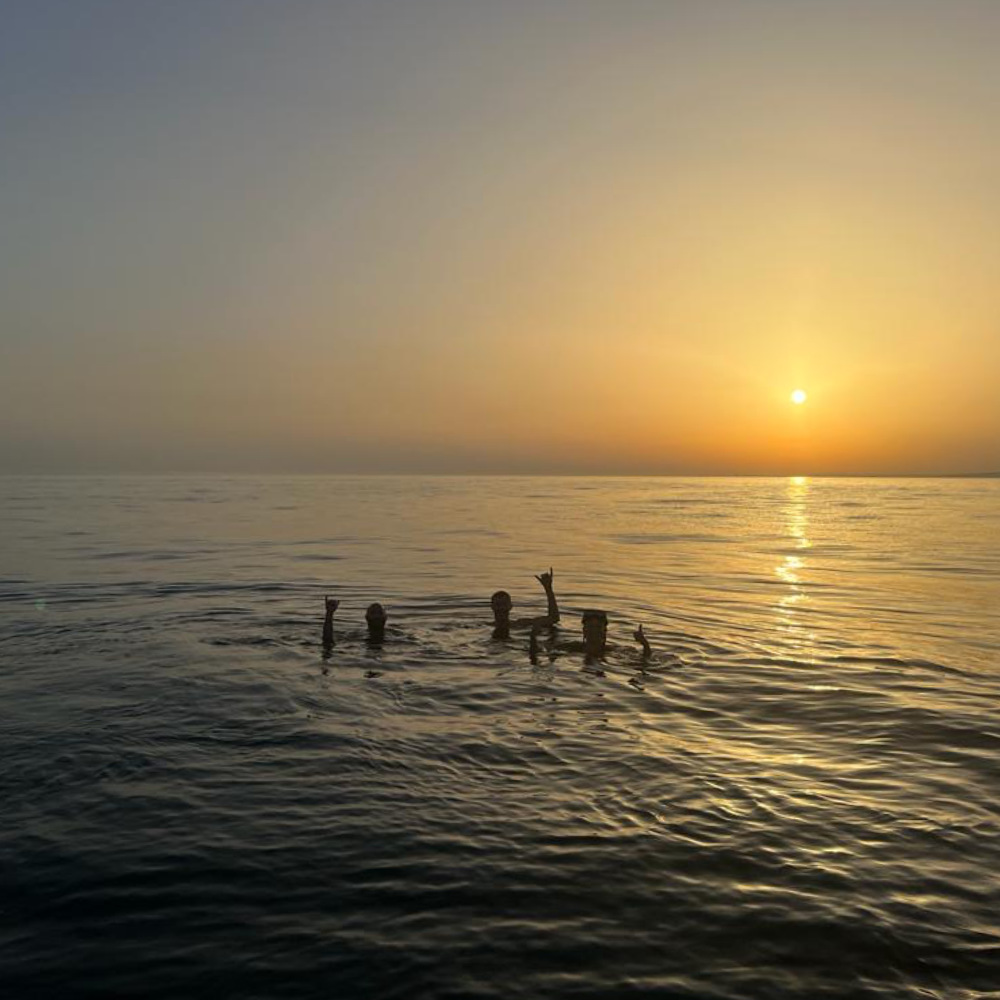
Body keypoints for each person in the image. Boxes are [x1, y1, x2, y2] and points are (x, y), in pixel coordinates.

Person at [491, 568, 560, 639]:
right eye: (498, 605)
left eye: (504, 604)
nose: (501, 608)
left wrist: (548, 589)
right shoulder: (482, 625)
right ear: (492, 607)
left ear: (510, 606)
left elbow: (554, 618)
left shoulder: (521, 624)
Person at [321, 597, 389, 647]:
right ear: (366, 617)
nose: (376, 616)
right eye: (373, 613)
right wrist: (329, 614)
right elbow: (328, 641)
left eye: (380, 613)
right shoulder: (356, 635)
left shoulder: (396, 636)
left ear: (386, 617)